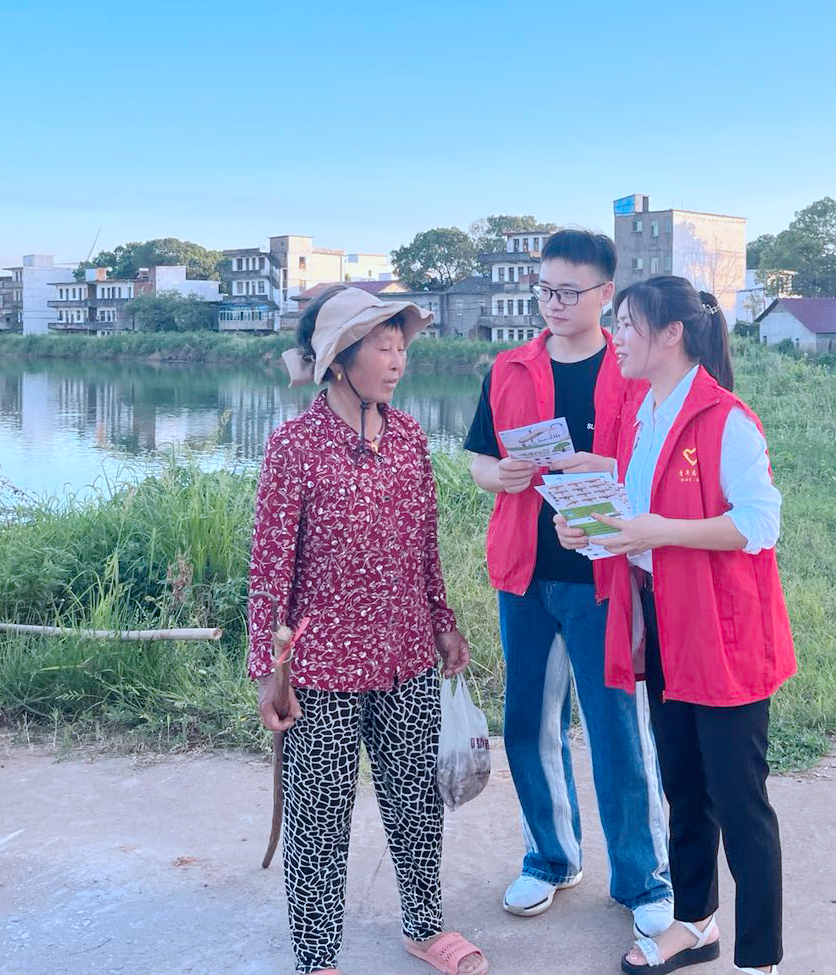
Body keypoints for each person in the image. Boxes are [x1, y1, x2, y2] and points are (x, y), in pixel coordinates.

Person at [555, 275, 796, 975]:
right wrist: (588, 532)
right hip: (664, 622)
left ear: (671, 333)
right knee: (683, 786)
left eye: (629, 324)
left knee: (738, 799)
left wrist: (660, 530)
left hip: (723, 631)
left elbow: (759, 523)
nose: (617, 338)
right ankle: (694, 922)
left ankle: (759, 957)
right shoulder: (643, 413)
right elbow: (634, 518)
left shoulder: (726, 419)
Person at [250, 285, 489, 975]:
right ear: (338, 360)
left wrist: (442, 622)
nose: (397, 361)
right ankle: (317, 957)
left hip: (405, 653)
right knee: (319, 817)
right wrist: (266, 671)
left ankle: (424, 926)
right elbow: (269, 567)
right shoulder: (294, 446)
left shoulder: (409, 437)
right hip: (320, 665)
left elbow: (424, 545)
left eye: (401, 347)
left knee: (416, 800)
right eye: (383, 348)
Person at [463, 230, 674, 938]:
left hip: (605, 573)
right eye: (545, 289)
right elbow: (479, 461)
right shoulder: (510, 367)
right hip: (525, 572)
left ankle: (643, 877)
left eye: (569, 291)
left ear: (605, 294)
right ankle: (551, 858)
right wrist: (501, 475)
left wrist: (605, 467)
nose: (553, 303)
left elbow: (660, 468)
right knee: (528, 723)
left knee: (617, 729)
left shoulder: (632, 370)